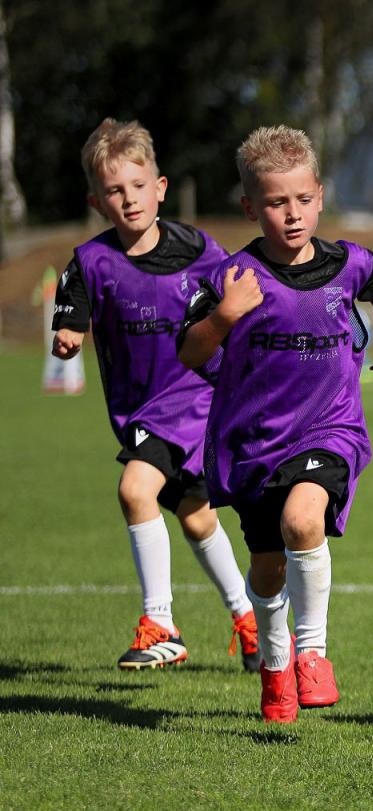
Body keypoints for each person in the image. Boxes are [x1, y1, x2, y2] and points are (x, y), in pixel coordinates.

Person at [177, 126, 373, 722]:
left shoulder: (344, 262)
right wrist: (225, 318)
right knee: (267, 564)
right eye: (277, 203)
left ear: (320, 195)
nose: (293, 213)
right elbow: (189, 353)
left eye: (303, 199)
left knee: (303, 520)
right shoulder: (233, 279)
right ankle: (276, 666)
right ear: (251, 207)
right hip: (255, 445)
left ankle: (312, 655)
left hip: (331, 429)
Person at [49, 118, 258, 672]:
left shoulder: (200, 251)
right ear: (98, 201)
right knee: (195, 516)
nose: (129, 199)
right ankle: (248, 618)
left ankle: (160, 623)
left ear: (160, 188)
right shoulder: (92, 262)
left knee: (135, 488)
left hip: (195, 397)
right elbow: (73, 293)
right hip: (138, 407)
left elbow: (234, 295)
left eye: (138, 186)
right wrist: (68, 327)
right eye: (115, 191)